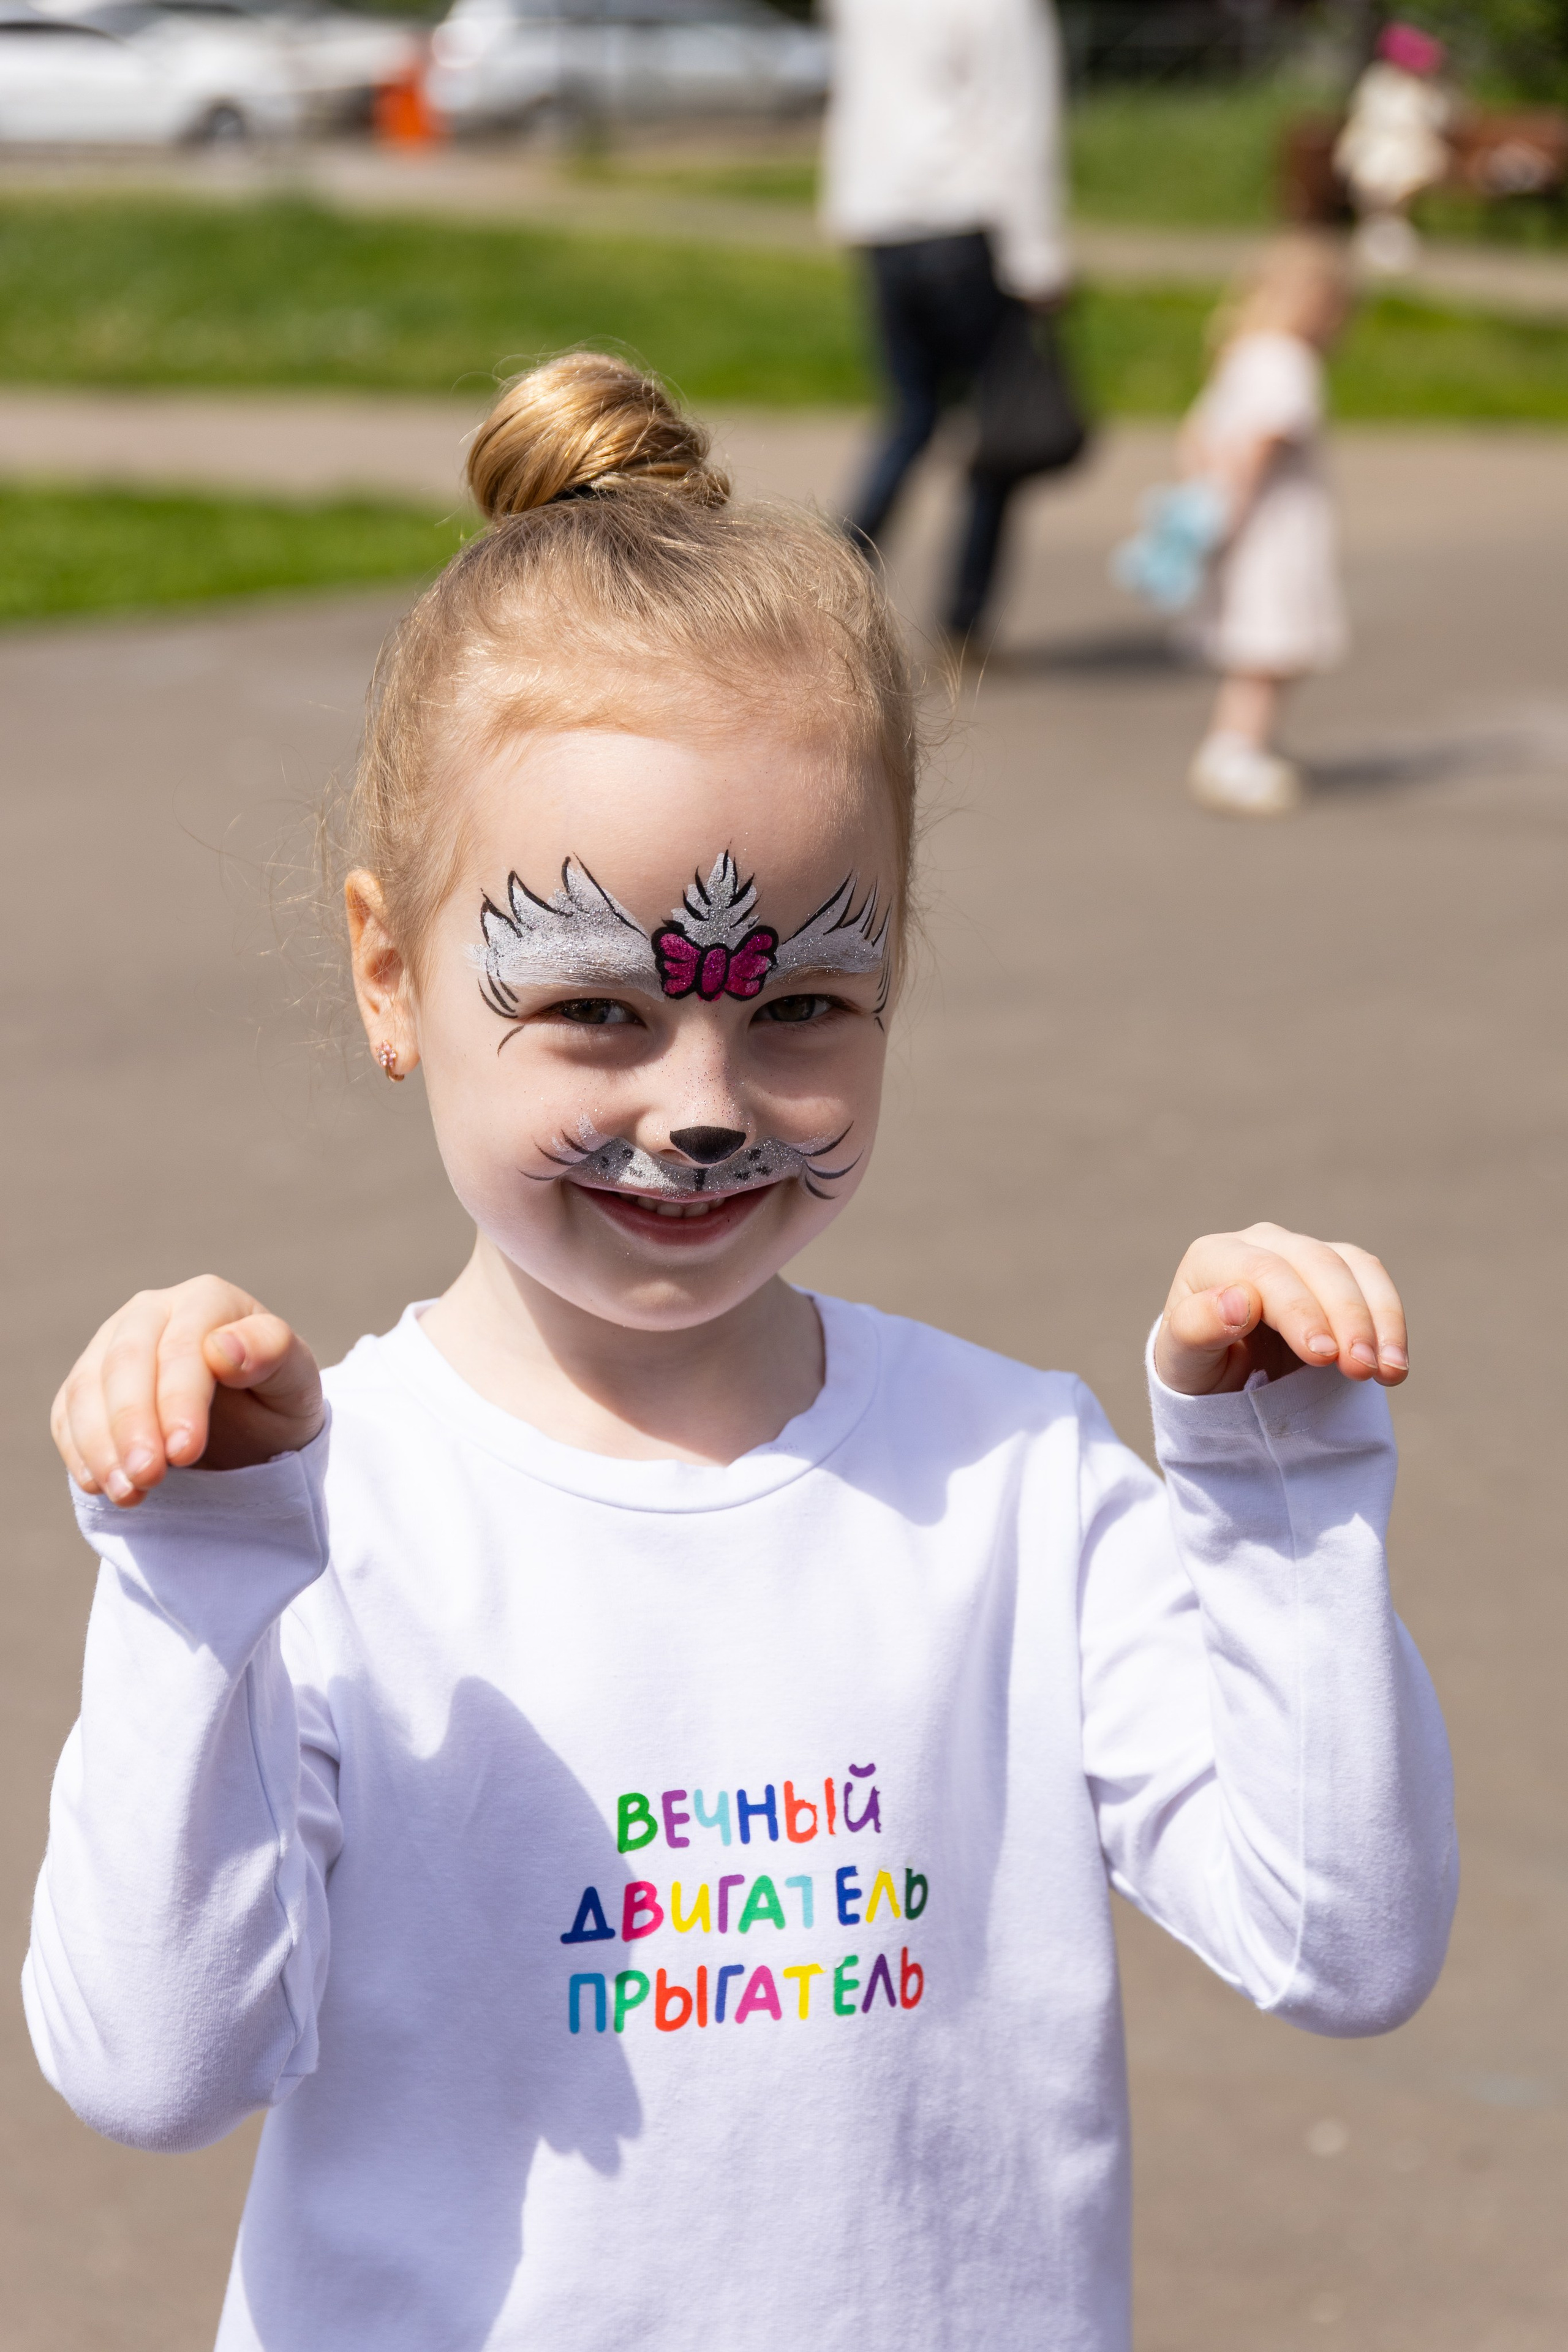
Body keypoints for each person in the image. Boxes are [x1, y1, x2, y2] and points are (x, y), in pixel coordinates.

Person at [27, 354, 1455, 2352]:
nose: (703, 1105)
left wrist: (1284, 1489)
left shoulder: (1015, 1485)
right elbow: (152, 2068)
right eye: (598, 1012)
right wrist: (199, 1578)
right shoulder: (327, 1517)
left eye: (801, 1008)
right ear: (391, 974)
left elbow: (1344, 1940)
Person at [822, 0, 1072, 646]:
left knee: (909, 418)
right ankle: (966, 620)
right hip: (967, 224)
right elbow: (1018, 120)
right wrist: (1038, 258)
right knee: (999, 426)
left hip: (884, 221)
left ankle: (826, 584)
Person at [1178, 235, 1352, 818]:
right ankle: (1234, 752)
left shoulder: (1241, 354)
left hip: (1234, 518)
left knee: (1259, 641)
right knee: (1269, 647)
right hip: (1270, 528)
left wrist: (1204, 501)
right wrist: (1236, 508)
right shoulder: (1288, 363)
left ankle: (1251, 744)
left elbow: (1197, 438)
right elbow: (1261, 443)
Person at [1334, 22, 1452, 275]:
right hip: (1376, 148)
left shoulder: (1425, 89)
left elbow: (1440, 119)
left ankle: (1388, 238)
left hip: (1410, 151)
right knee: (1373, 175)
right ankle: (1379, 238)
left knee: (1398, 177)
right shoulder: (1377, 83)